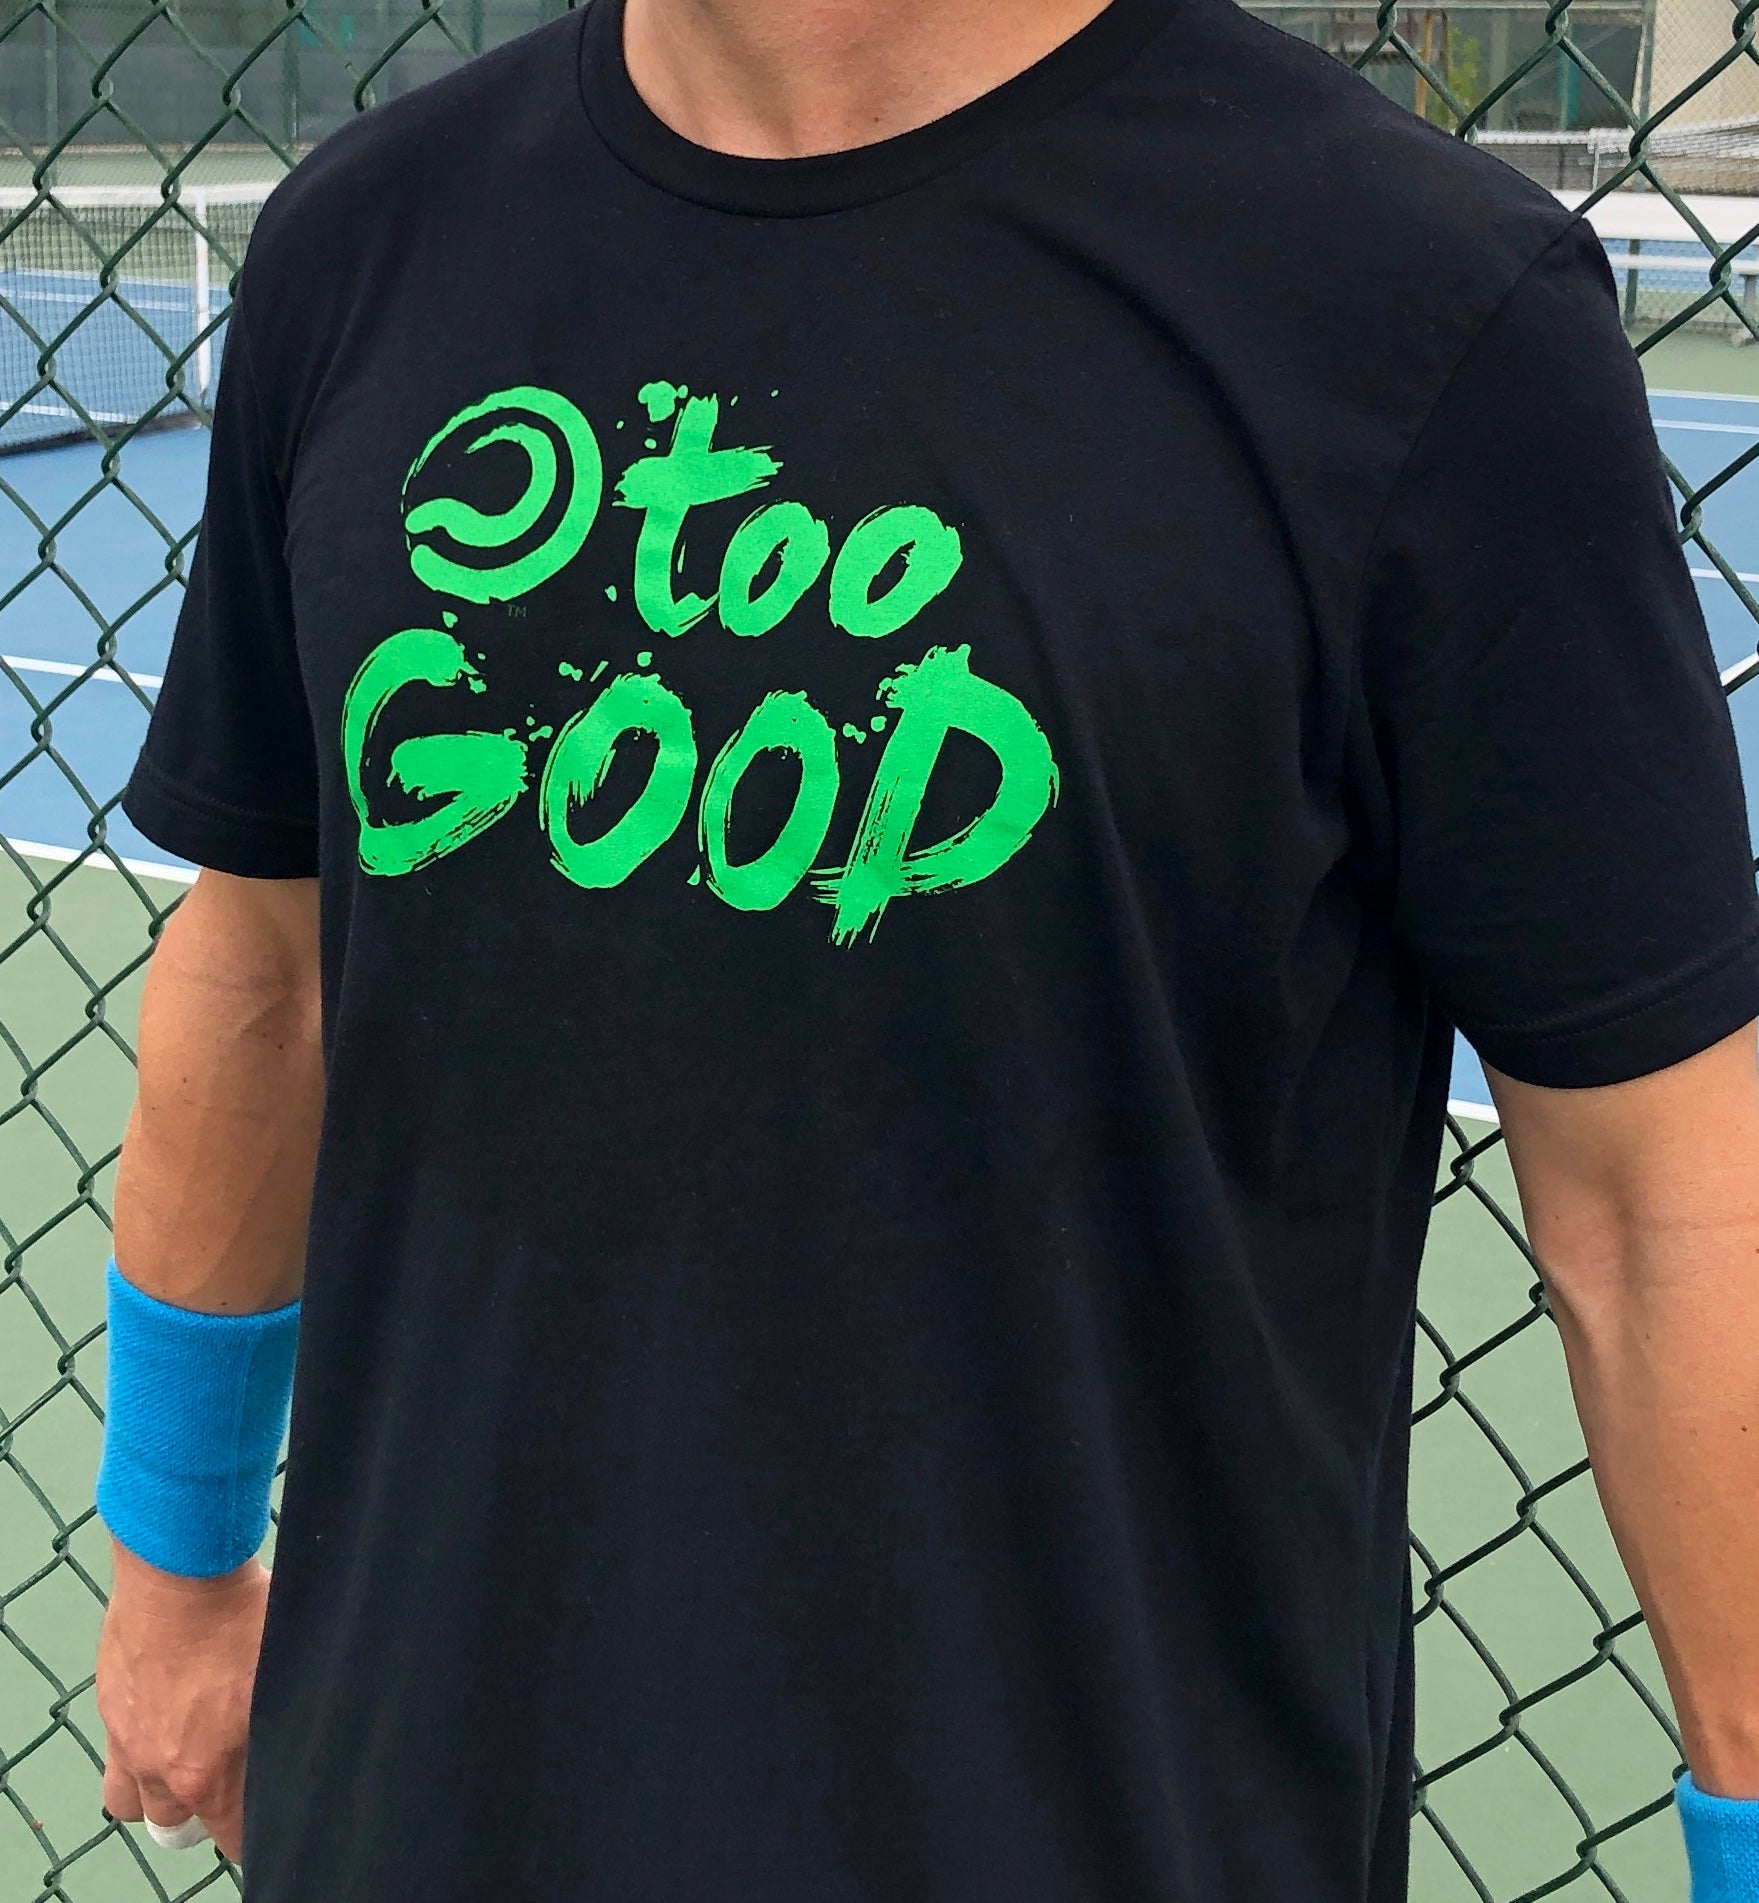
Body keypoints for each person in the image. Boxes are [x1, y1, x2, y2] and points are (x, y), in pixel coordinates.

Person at [89, 0, 1759, 1895]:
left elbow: (1659, 1203)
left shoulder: (1426, 311)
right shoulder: (361, 244)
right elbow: (267, 972)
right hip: (420, 1815)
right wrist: (173, 1549)